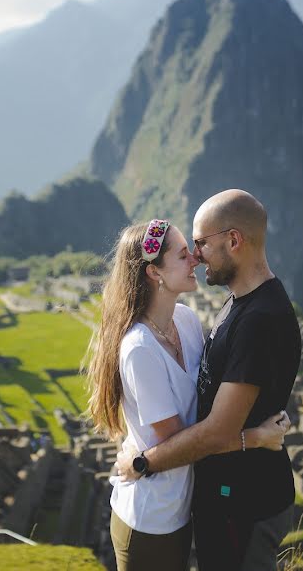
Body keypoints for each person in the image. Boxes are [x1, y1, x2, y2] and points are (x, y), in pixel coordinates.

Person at [85, 219, 289, 571]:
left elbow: (210, 395)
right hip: (150, 518)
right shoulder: (139, 349)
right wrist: (255, 437)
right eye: (183, 255)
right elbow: (181, 443)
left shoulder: (187, 321)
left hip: (182, 508)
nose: (195, 258)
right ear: (155, 273)